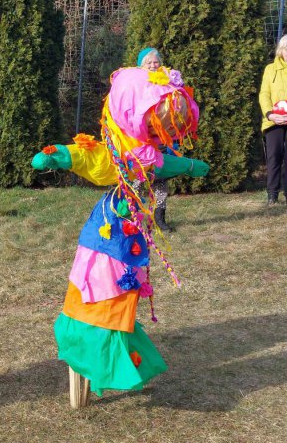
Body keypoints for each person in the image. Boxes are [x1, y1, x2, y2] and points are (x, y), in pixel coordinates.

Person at [32, 65, 209, 399]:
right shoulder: (116, 154)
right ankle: (93, 354)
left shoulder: (147, 155)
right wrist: (58, 157)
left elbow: (158, 164)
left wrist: (186, 165)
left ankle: (115, 352)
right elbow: (91, 159)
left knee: (120, 295)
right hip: (108, 234)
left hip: (130, 239)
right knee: (100, 291)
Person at [137, 47, 173, 230]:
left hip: (159, 138)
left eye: (155, 61)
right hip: (140, 141)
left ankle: (160, 219)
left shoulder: (167, 80)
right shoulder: (135, 83)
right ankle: (133, 219)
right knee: (137, 179)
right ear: (141, 65)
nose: (153, 65)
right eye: (149, 62)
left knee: (160, 178)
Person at [259, 34, 287, 205]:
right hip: (273, 121)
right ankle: (272, 194)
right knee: (274, 157)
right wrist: (270, 114)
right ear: (281, 51)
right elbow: (264, 94)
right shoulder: (270, 69)